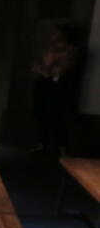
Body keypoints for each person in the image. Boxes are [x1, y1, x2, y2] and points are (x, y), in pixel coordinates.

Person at [31, 23, 82, 157]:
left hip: (60, 87)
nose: (53, 36)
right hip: (44, 86)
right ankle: (42, 144)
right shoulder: (51, 50)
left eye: (56, 33)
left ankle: (61, 148)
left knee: (58, 117)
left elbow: (59, 69)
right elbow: (41, 68)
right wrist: (46, 68)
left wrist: (48, 69)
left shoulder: (71, 51)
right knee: (41, 115)